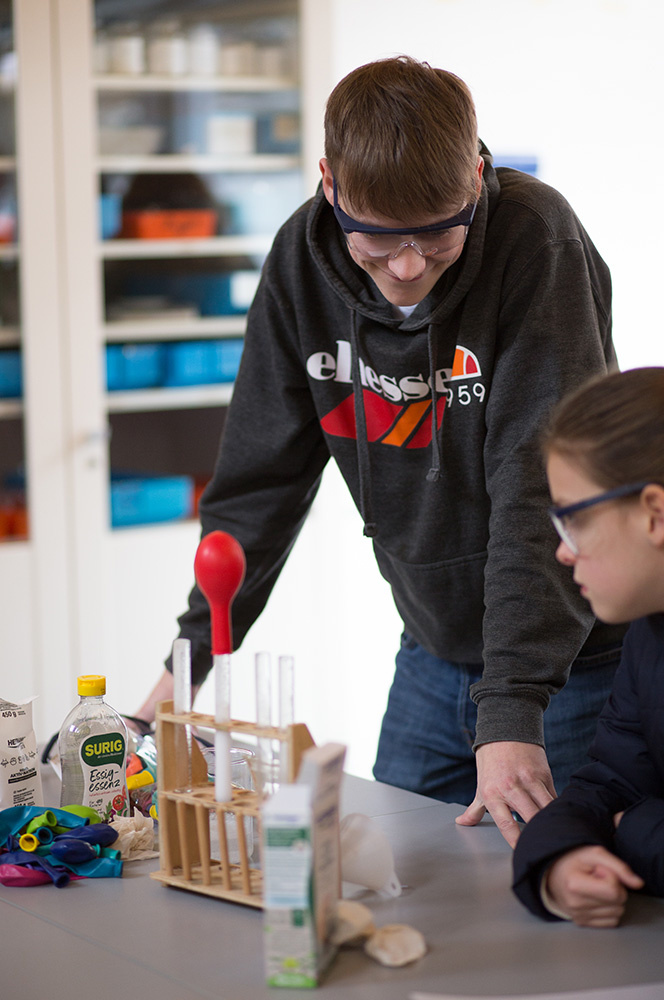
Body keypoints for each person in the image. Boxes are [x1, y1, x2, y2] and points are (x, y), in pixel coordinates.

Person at [135, 56, 625, 846]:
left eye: (436, 235)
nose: (406, 266)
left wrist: (511, 707)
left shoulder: (537, 242)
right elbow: (259, 480)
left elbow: (536, 487)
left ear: (475, 179)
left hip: (570, 665)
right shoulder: (300, 261)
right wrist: (187, 663)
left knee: (559, 885)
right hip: (431, 653)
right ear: (329, 184)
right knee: (397, 875)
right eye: (379, 239)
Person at [513, 367, 664, 926]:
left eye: (574, 519)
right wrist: (560, 863)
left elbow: (626, 815)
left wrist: (632, 830)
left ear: (654, 514)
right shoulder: (649, 636)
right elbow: (606, 784)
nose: (563, 551)